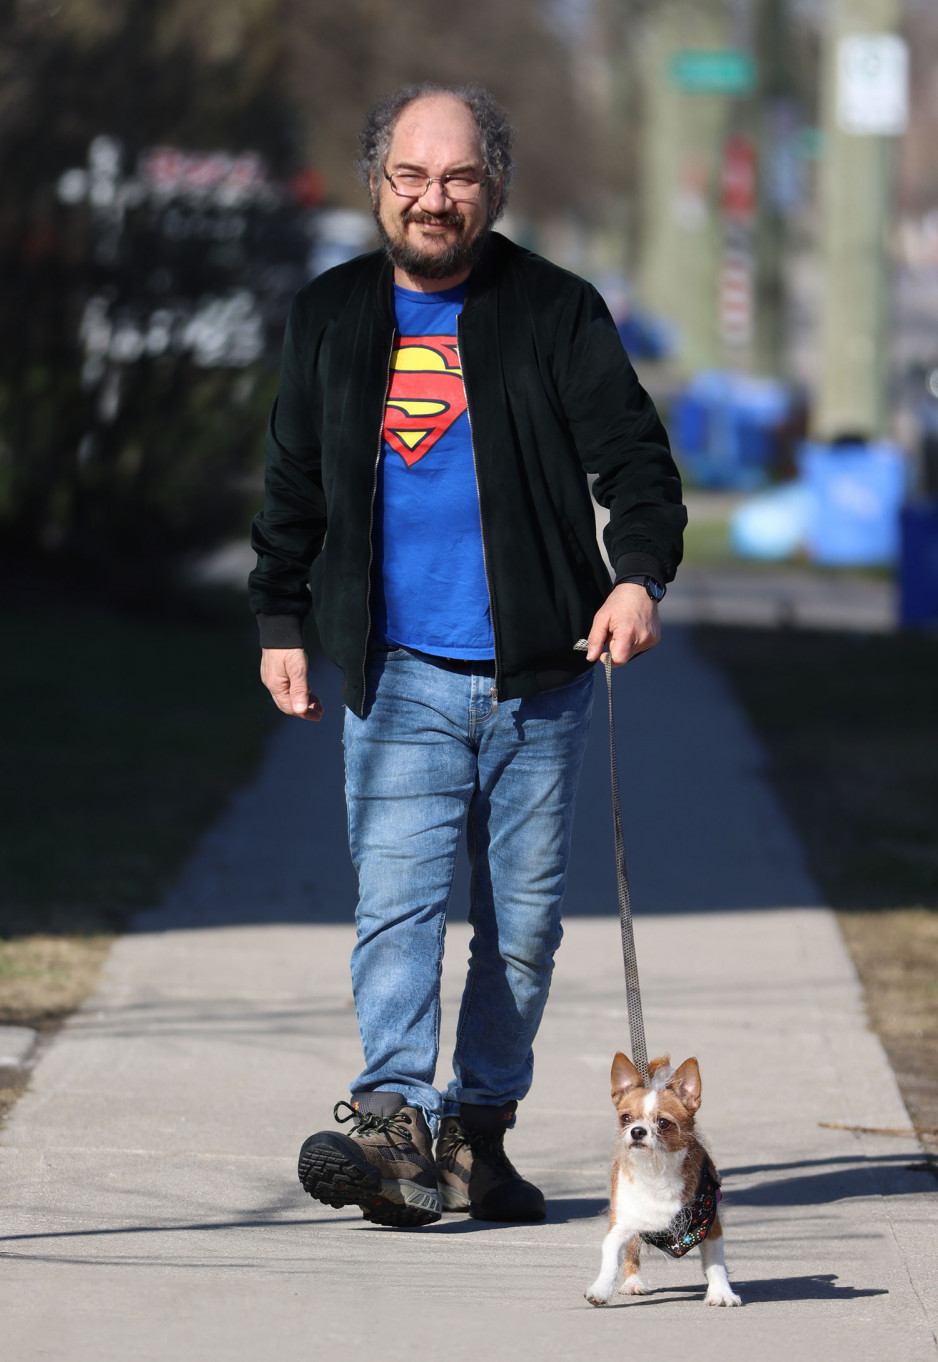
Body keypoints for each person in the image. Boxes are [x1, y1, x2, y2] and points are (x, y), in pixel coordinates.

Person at [248, 82, 685, 1229]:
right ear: (377, 182)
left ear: (491, 188)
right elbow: (291, 481)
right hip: (394, 676)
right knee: (395, 910)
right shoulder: (332, 314)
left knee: (523, 931)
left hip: (539, 677)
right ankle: (395, 1125)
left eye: (455, 179)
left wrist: (635, 576)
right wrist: (279, 620)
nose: (430, 199)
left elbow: (634, 461)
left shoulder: (553, 309)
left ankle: (475, 1133)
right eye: (409, 175)